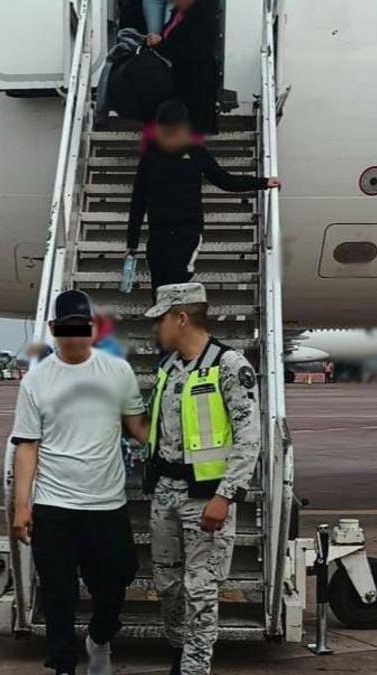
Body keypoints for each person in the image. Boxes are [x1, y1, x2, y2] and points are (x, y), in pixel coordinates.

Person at [11, 290, 150, 675]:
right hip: (54, 505)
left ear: (92, 328)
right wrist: (22, 505)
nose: (73, 336)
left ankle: (100, 637)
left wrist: (169, 439)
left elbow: (136, 425)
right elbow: (27, 445)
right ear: (54, 329)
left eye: (81, 327)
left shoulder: (117, 372)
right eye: (65, 329)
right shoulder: (36, 381)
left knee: (117, 579)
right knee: (59, 593)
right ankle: (64, 665)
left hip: (106, 503)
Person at [144, 283, 262, 675]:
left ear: (181, 318)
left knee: (201, 590)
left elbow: (249, 438)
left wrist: (225, 496)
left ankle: (195, 667)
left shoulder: (229, 366)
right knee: (168, 585)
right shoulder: (167, 367)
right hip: (166, 494)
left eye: (161, 319)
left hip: (206, 498)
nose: (156, 328)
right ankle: (180, 648)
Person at [127, 100, 280, 301]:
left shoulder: (196, 152)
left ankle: (178, 325)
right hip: (158, 231)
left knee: (176, 279)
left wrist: (263, 182)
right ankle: (164, 328)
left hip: (187, 229)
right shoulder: (150, 157)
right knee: (159, 285)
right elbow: (138, 199)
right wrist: (132, 242)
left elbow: (224, 180)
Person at [149, 0, 220, 135]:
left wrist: (161, 44)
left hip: (196, 84)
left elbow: (193, 50)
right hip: (179, 82)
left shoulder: (203, 15)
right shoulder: (178, 13)